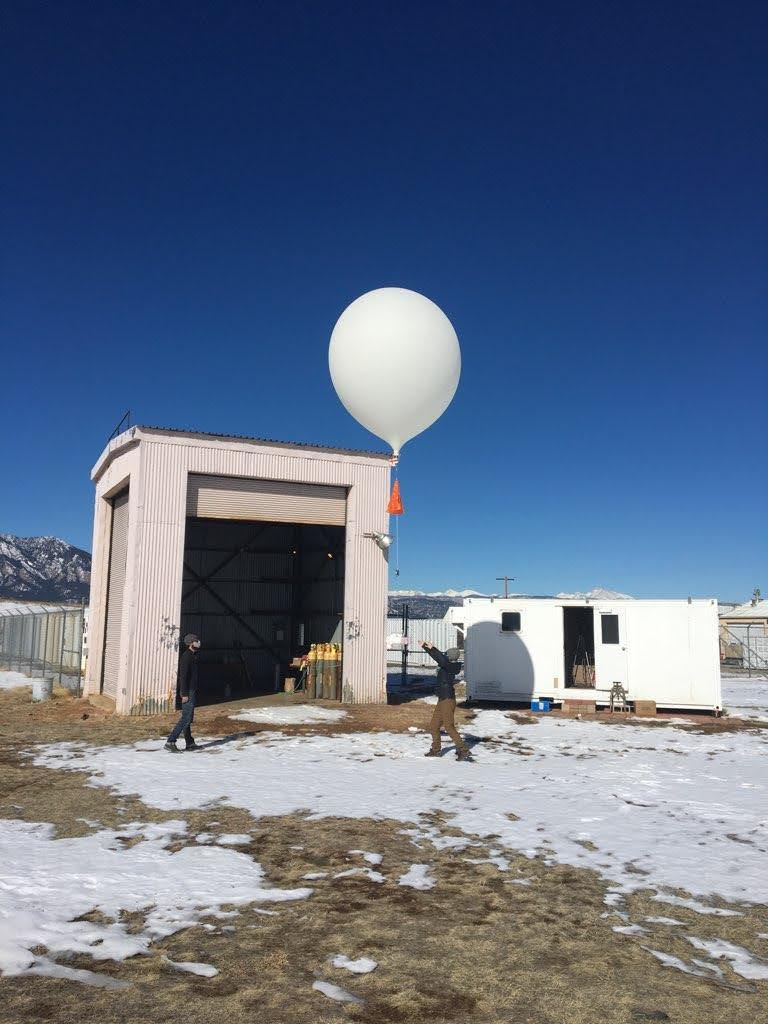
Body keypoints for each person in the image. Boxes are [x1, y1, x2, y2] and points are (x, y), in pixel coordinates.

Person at [421, 640, 471, 760]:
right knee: (434, 726)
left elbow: (441, 659)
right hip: (442, 699)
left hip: (447, 700)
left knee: (449, 727)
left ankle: (463, 750)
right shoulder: (447, 664)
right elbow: (439, 658)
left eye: (446, 654)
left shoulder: (450, 666)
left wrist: (432, 648)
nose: (445, 655)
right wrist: (426, 647)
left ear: (450, 656)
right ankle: (436, 750)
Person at [165, 633, 201, 752]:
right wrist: (184, 694)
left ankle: (189, 743)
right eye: (196, 641)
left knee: (188, 718)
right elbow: (183, 677)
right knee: (186, 718)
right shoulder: (187, 657)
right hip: (188, 692)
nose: (198, 642)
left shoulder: (194, 655)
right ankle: (171, 741)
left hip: (192, 690)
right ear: (191, 643)